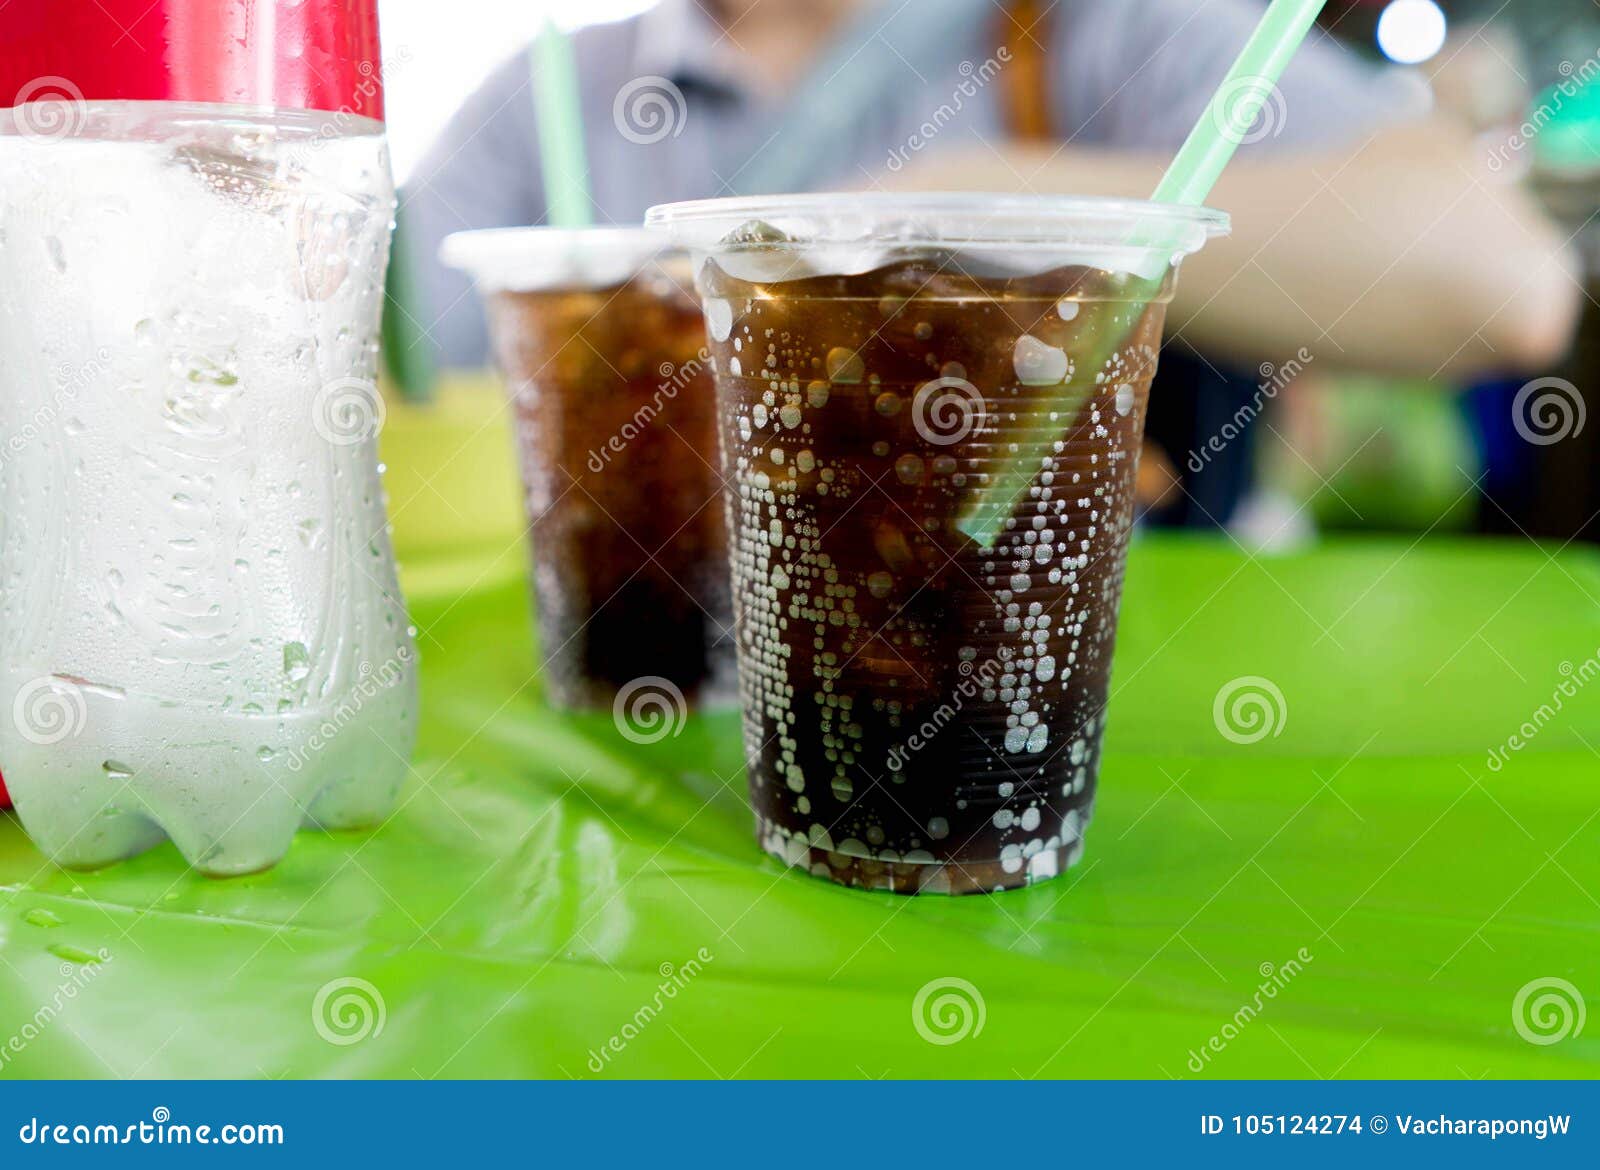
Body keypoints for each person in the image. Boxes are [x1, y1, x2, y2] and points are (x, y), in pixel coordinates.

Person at [400, 0, 1581, 522]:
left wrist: (976, 201)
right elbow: (394, 346)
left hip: (1060, 680)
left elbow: (1498, 283)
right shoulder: (556, 91)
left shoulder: (1088, 29)